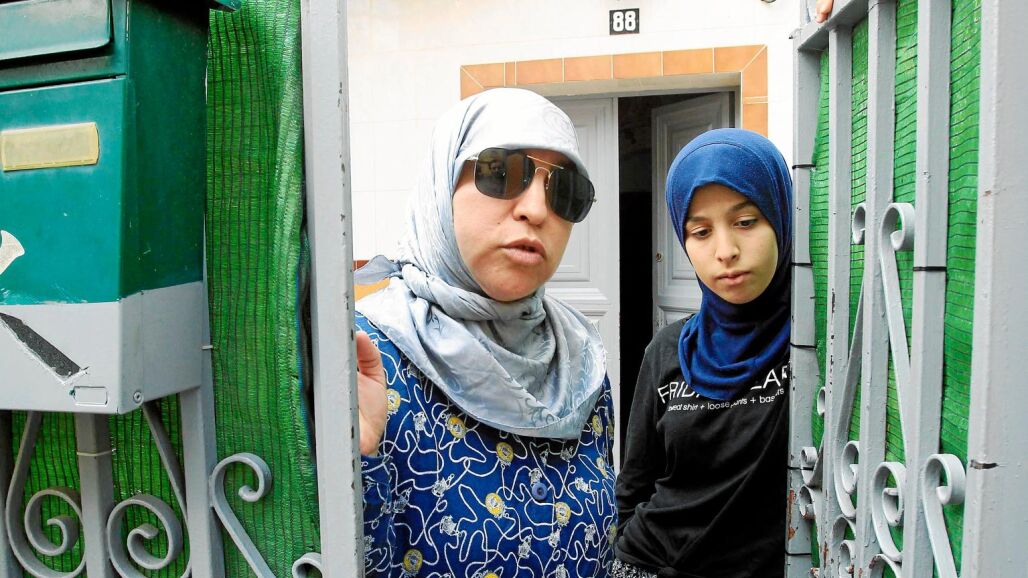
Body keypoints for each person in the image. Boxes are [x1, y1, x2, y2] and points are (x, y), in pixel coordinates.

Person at [353, 88, 617, 578]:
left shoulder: (582, 365)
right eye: (502, 171)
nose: (537, 209)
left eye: (565, 190)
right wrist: (356, 463)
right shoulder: (365, 358)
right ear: (442, 186)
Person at [614, 129, 792, 578]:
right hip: (649, 564)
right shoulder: (668, 349)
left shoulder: (814, 349)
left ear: (781, 217)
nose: (725, 252)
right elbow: (634, 484)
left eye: (746, 221)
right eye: (700, 231)